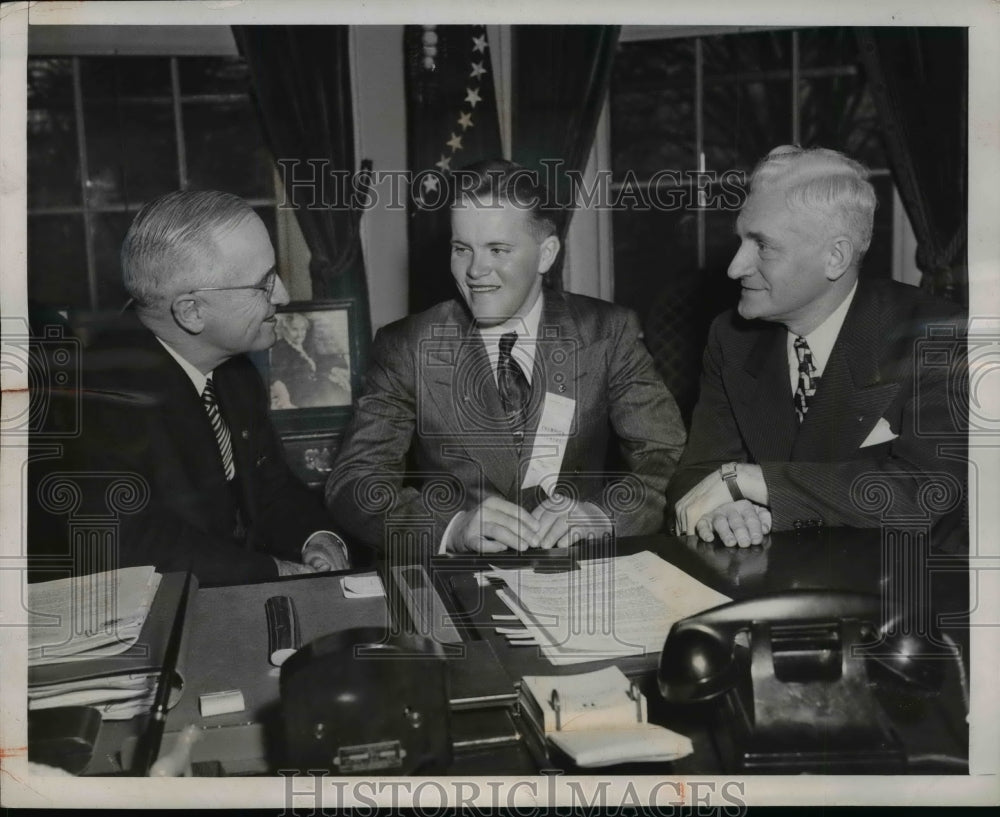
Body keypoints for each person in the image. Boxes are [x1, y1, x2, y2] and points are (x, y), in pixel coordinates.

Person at [326, 159, 686, 554]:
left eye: (498, 249)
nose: (475, 270)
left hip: (582, 576)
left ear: (546, 255)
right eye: (462, 249)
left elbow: (664, 455)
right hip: (462, 583)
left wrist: (603, 515)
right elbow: (355, 482)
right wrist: (453, 528)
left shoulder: (607, 333)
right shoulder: (408, 346)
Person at [40, 191, 354, 585]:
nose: (283, 296)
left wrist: (317, 537)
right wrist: (278, 571)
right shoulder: (97, 402)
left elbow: (270, 486)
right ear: (191, 312)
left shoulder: (233, 371)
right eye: (264, 284)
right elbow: (133, 547)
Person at [667, 146, 967, 550]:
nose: (735, 267)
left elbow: (931, 492)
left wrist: (758, 482)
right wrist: (726, 511)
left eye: (763, 246)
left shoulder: (939, 334)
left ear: (835, 257)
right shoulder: (732, 337)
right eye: (741, 241)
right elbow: (699, 470)